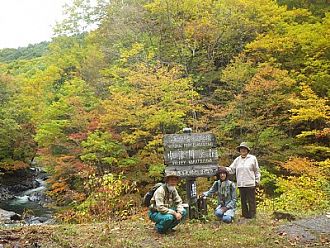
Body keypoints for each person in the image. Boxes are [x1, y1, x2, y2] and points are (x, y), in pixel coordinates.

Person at [226, 142, 261, 219]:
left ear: (247, 150)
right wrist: (223, 169)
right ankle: (245, 215)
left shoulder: (252, 158)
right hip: (241, 183)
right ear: (239, 150)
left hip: (250, 183)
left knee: (251, 200)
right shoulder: (237, 160)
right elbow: (231, 169)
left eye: (244, 148)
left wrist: (257, 180)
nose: (243, 150)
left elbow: (257, 170)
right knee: (243, 200)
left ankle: (252, 216)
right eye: (241, 149)